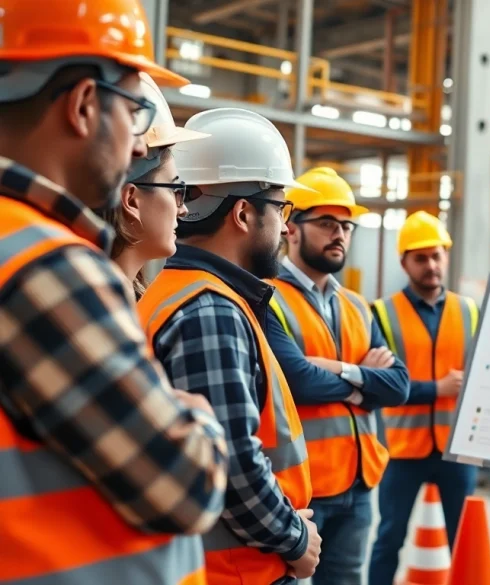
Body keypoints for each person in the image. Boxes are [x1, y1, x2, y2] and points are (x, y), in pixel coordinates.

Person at [0, 1, 229, 584]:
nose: (135, 147)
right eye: (133, 111)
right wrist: (198, 418)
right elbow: (187, 484)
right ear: (82, 106)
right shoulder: (43, 266)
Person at [136, 107, 321, 585]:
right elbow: (234, 464)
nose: (285, 228)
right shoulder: (210, 311)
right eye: (281, 210)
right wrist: (295, 539)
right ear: (243, 213)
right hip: (238, 569)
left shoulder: (177, 294)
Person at [265, 166, 410, 585]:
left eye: (347, 225)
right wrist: (365, 379)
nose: (340, 234)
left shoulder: (359, 306)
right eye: (327, 223)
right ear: (291, 228)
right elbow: (297, 381)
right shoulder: (268, 296)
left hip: (359, 482)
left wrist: (338, 370)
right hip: (300, 487)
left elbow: (398, 386)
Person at [367, 211, 479, 585]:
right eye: (420, 258)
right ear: (404, 262)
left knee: (463, 542)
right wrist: (436, 389)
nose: (431, 265)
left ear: (446, 256)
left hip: (457, 450)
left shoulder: (470, 311)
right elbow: (378, 383)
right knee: (389, 540)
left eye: (436, 255)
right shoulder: (381, 313)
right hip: (402, 451)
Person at [98, 71, 210, 299]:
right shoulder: (100, 299)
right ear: (131, 200)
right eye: (176, 191)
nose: (184, 209)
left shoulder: (129, 299)